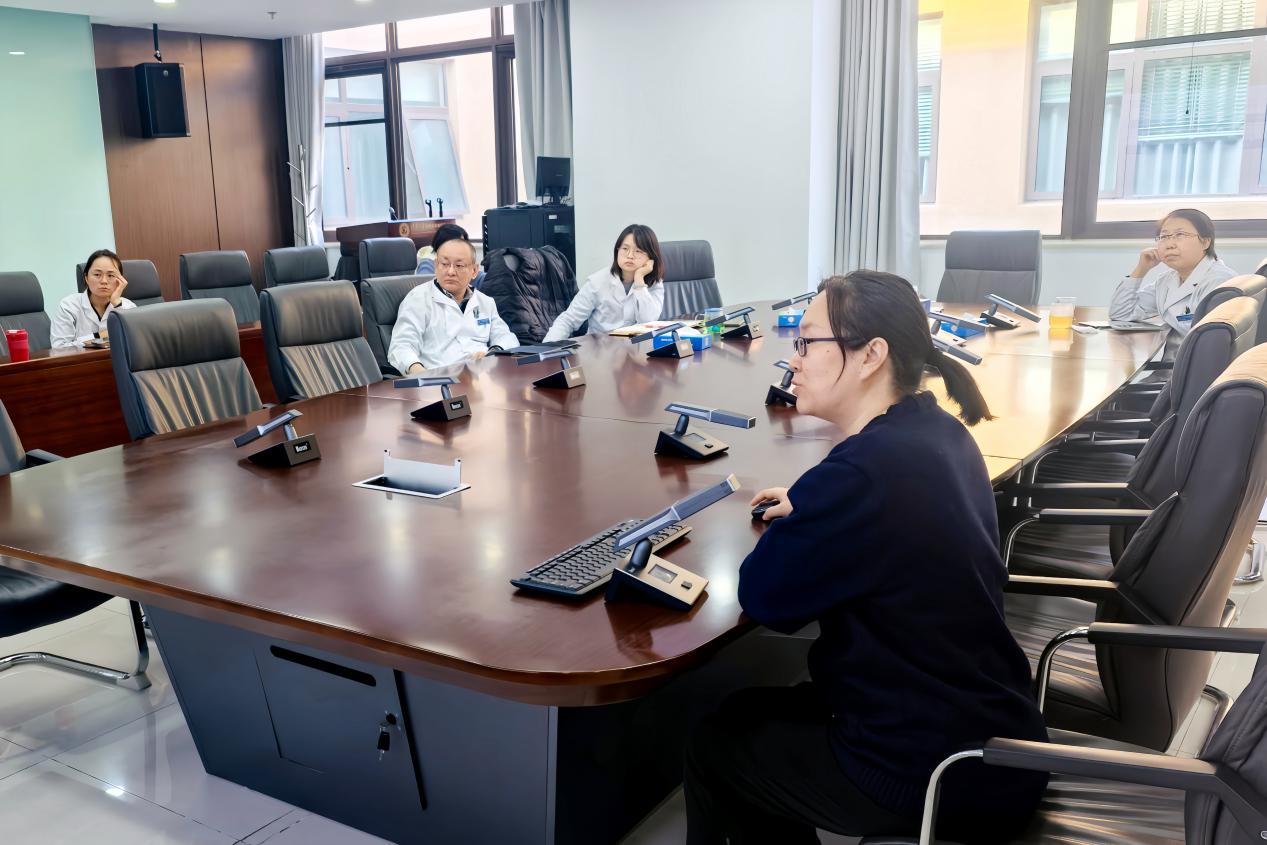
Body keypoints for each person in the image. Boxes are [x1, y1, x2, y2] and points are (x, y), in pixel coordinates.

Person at [684, 271, 1048, 844]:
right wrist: (817, 501)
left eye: (807, 342)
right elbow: (881, 512)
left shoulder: (861, 473)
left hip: (932, 771)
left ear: (871, 355)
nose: (793, 360)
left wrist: (816, 504)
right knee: (743, 715)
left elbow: (765, 598)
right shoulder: (938, 433)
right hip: (991, 734)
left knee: (717, 746)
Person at [388, 236, 518, 374]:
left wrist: (492, 353)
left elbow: (506, 336)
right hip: (440, 378)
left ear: (474, 271)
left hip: (482, 376)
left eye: (459, 266)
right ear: (436, 265)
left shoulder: (485, 302)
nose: (450, 272)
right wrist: (418, 371)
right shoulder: (418, 299)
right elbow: (401, 346)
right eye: (444, 264)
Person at [1110, 208, 1236, 349]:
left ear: (1205, 242)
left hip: (1193, 361)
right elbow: (1121, 314)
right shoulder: (1168, 279)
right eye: (1164, 237)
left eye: (1180, 234)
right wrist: (1141, 269)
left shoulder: (1218, 282)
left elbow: (1211, 345)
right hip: (1174, 359)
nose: (1170, 244)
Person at [542, 224, 665, 342]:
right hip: (601, 349)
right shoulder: (597, 282)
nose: (630, 255)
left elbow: (649, 321)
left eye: (638, 251)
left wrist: (639, 283)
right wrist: (546, 349)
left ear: (651, 257)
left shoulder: (654, 283)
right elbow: (568, 320)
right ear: (617, 250)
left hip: (638, 350)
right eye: (625, 248)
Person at [51, 249, 136, 349]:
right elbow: (59, 348)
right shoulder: (68, 306)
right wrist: (101, 336)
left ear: (120, 280)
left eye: (111, 275)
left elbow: (135, 341)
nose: (104, 281)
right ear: (86, 278)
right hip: (82, 359)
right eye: (97, 275)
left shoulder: (128, 306)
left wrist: (118, 305)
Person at [417, 223, 486, 289]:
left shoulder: (466, 263)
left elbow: (480, 278)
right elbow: (427, 288)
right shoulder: (427, 264)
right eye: (445, 264)